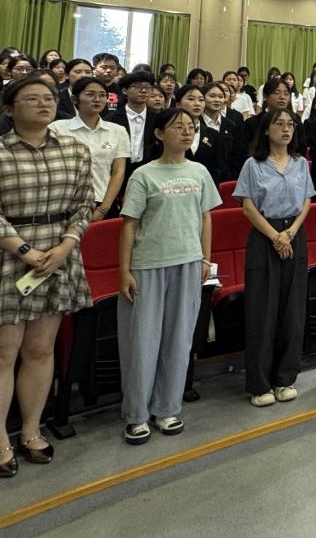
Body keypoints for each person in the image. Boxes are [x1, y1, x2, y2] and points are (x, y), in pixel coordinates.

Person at [0, 75, 95, 476]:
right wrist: (25, 251)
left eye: (49, 98)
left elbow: (84, 204)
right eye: (32, 98)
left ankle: (31, 430)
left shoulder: (75, 149)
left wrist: (65, 246)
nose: (44, 104)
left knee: (41, 350)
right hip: (6, 257)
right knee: (1, 353)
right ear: (10, 109)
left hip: (57, 256)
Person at [117, 108, 220, 445]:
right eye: (179, 126)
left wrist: (205, 258)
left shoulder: (199, 171)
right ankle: (136, 414)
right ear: (160, 133)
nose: (187, 132)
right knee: (143, 341)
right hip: (148, 265)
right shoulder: (143, 175)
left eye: (191, 127)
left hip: (188, 262)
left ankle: (168, 408)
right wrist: (124, 271)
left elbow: (206, 218)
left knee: (179, 339)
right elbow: (129, 225)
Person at [235, 108, 315, 405]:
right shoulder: (253, 165)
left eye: (289, 124)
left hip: (294, 234)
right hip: (264, 235)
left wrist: (290, 233)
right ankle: (259, 384)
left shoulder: (300, 163)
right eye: (278, 124)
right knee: (262, 310)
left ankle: (285, 378)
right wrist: (275, 236)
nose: (285, 129)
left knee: (292, 310)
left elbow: (306, 202)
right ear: (266, 130)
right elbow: (248, 207)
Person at [50, 76, 129, 219]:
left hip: (103, 202)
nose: (97, 99)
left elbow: (118, 172)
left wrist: (103, 209)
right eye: (90, 94)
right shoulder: (57, 129)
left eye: (102, 95)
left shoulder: (118, 131)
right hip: (64, 204)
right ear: (75, 99)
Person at [105, 70, 157, 183]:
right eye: (137, 86)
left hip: (148, 174)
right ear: (125, 90)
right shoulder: (111, 119)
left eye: (148, 87)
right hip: (116, 173)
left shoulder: (158, 119)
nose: (143, 90)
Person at [173, 84, 227, 184]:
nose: (197, 103)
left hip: (205, 187)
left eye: (201, 100)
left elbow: (218, 169)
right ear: (178, 104)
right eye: (191, 99)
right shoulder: (169, 132)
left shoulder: (213, 135)